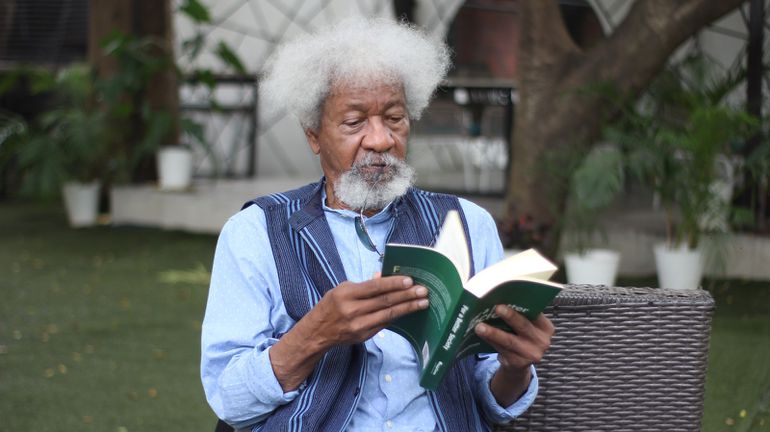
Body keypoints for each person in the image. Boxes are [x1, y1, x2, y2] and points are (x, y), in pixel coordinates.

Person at [201, 17, 554, 432]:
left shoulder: (467, 224)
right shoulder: (256, 232)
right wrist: (314, 334)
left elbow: (492, 399)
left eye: (394, 118)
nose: (381, 140)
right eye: (354, 122)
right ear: (313, 135)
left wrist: (515, 368)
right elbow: (231, 400)